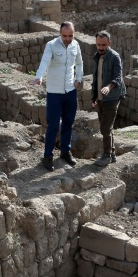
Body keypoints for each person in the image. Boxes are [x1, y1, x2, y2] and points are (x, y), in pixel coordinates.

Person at [33, 21, 84, 171]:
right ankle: (48, 156)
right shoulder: (51, 45)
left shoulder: (76, 45)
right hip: (54, 92)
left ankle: (65, 152)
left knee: (68, 123)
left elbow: (80, 63)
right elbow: (45, 61)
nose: (68, 39)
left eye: (70, 35)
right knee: (53, 125)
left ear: (74, 34)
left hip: (70, 91)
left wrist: (78, 79)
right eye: (65, 35)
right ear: (60, 33)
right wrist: (39, 76)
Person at [91, 31, 126, 166]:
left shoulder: (114, 57)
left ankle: (106, 155)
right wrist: (94, 96)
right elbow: (96, 78)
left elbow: (118, 77)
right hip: (101, 98)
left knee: (105, 128)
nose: (101, 48)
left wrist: (109, 88)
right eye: (98, 45)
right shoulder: (97, 57)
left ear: (109, 43)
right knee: (106, 127)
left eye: (104, 45)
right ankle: (111, 154)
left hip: (112, 98)